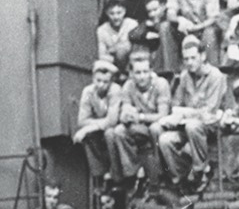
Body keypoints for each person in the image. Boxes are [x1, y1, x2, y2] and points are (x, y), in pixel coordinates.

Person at [158, 34, 227, 190]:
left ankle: (199, 170)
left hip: (210, 125)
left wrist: (184, 113)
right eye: (186, 59)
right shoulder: (184, 76)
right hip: (187, 125)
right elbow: (176, 104)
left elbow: (209, 111)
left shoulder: (215, 76)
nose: (189, 62)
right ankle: (183, 176)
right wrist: (176, 116)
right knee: (165, 140)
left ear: (202, 56)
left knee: (193, 126)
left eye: (193, 58)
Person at [107, 51, 171, 192]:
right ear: (131, 73)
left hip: (158, 125)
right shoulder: (129, 86)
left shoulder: (160, 84)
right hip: (139, 127)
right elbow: (126, 109)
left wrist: (140, 117)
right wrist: (125, 116)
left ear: (151, 71)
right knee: (118, 131)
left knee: (155, 128)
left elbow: (163, 115)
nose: (142, 77)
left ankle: (161, 174)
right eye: (138, 73)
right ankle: (132, 173)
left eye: (145, 72)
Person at [73, 60, 119, 183]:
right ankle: (99, 174)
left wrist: (89, 127)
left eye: (105, 82)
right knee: (88, 137)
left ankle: (115, 172)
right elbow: (82, 120)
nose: (101, 85)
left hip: (116, 129)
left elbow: (113, 120)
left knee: (110, 133)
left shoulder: (115, 90)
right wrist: (96, 125)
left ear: (111, 81)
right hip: (99, 129)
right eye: (98, 80)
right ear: (93, 78)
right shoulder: (88, 92)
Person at [166, 0, 221, 67]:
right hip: (184, 29)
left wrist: (196, 27)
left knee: (210, 33)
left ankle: (212, 69)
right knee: (165, 27)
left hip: (204, 28)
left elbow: (213, 18)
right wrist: (179, 19)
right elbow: (170, 14)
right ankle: (170, 70)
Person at [130, 0, 171, 76]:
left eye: (155, 10)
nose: (152, 14)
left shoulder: (169, 20)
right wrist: (145, 34)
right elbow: (132, 34)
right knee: (138, 45)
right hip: (153, 56)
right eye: (149, 11)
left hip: (168, 56)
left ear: (163, 6)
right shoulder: (149, 22)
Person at [97, 0, 138, 73]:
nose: (116, 17)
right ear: (106, 13)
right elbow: (101, 55)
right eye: (112, 13)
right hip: (112, 65)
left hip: (130, 64)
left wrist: (115, 50)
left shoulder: (131, 24)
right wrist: (115, 59)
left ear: (125, 11)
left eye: (119, 13)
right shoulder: (102, 30)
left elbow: (134, 48)